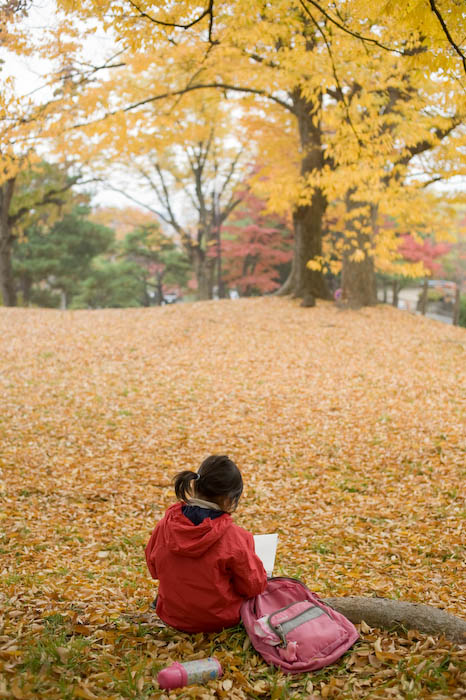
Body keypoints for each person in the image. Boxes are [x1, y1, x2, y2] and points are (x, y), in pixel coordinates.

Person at [145, 455, 267, 633]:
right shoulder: (234, 537)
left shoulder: (165, 525)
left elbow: (154, 569)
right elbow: (253, 586)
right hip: (221, 620)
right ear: (229, 498)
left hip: (172, 615)